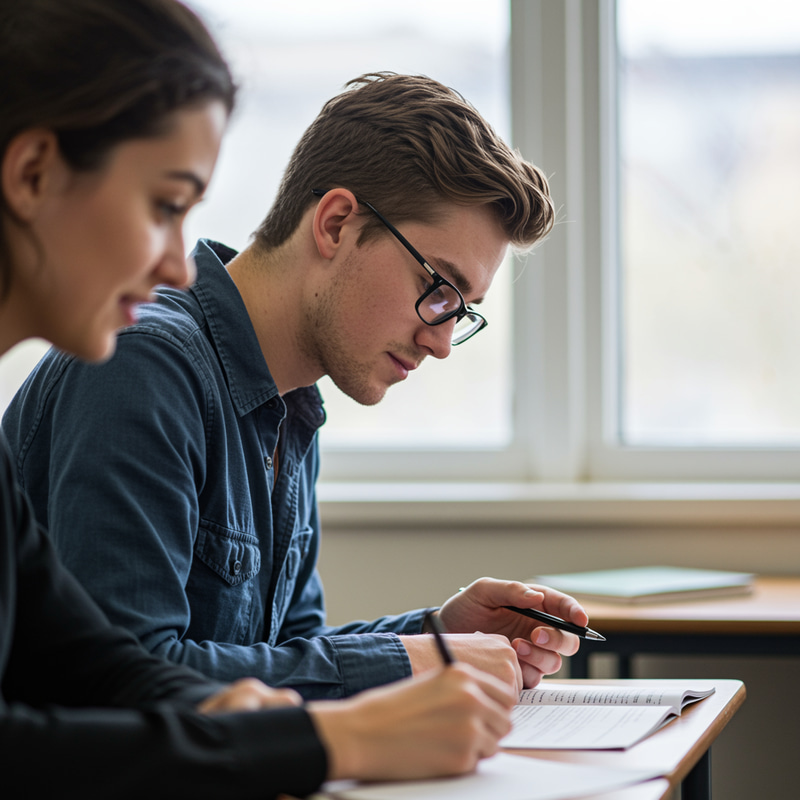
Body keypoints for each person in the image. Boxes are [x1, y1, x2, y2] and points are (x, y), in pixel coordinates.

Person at [0, 2, 520, 797]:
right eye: (437, 289)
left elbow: (120, 668)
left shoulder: (294, 407)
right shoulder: (145, 364)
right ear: (338, 223)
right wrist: (340, 728)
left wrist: (429, 638)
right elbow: (102, 689)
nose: (443, 338)